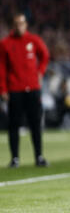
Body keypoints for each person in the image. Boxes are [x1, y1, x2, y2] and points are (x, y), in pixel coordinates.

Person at [0, 13, 50, 168]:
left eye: (22, 23)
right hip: (15, 90)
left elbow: (45, 55)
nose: (19, 26)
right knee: (14, 124)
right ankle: (15, 158)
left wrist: (40, 72)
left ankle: (39, 156)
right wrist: (3, 89)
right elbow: (1, 68)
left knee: (35, 123)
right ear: (13, 26)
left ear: (26, 24)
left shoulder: (33, 40)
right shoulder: (5, 43)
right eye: (17, 24)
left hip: (33, 88)